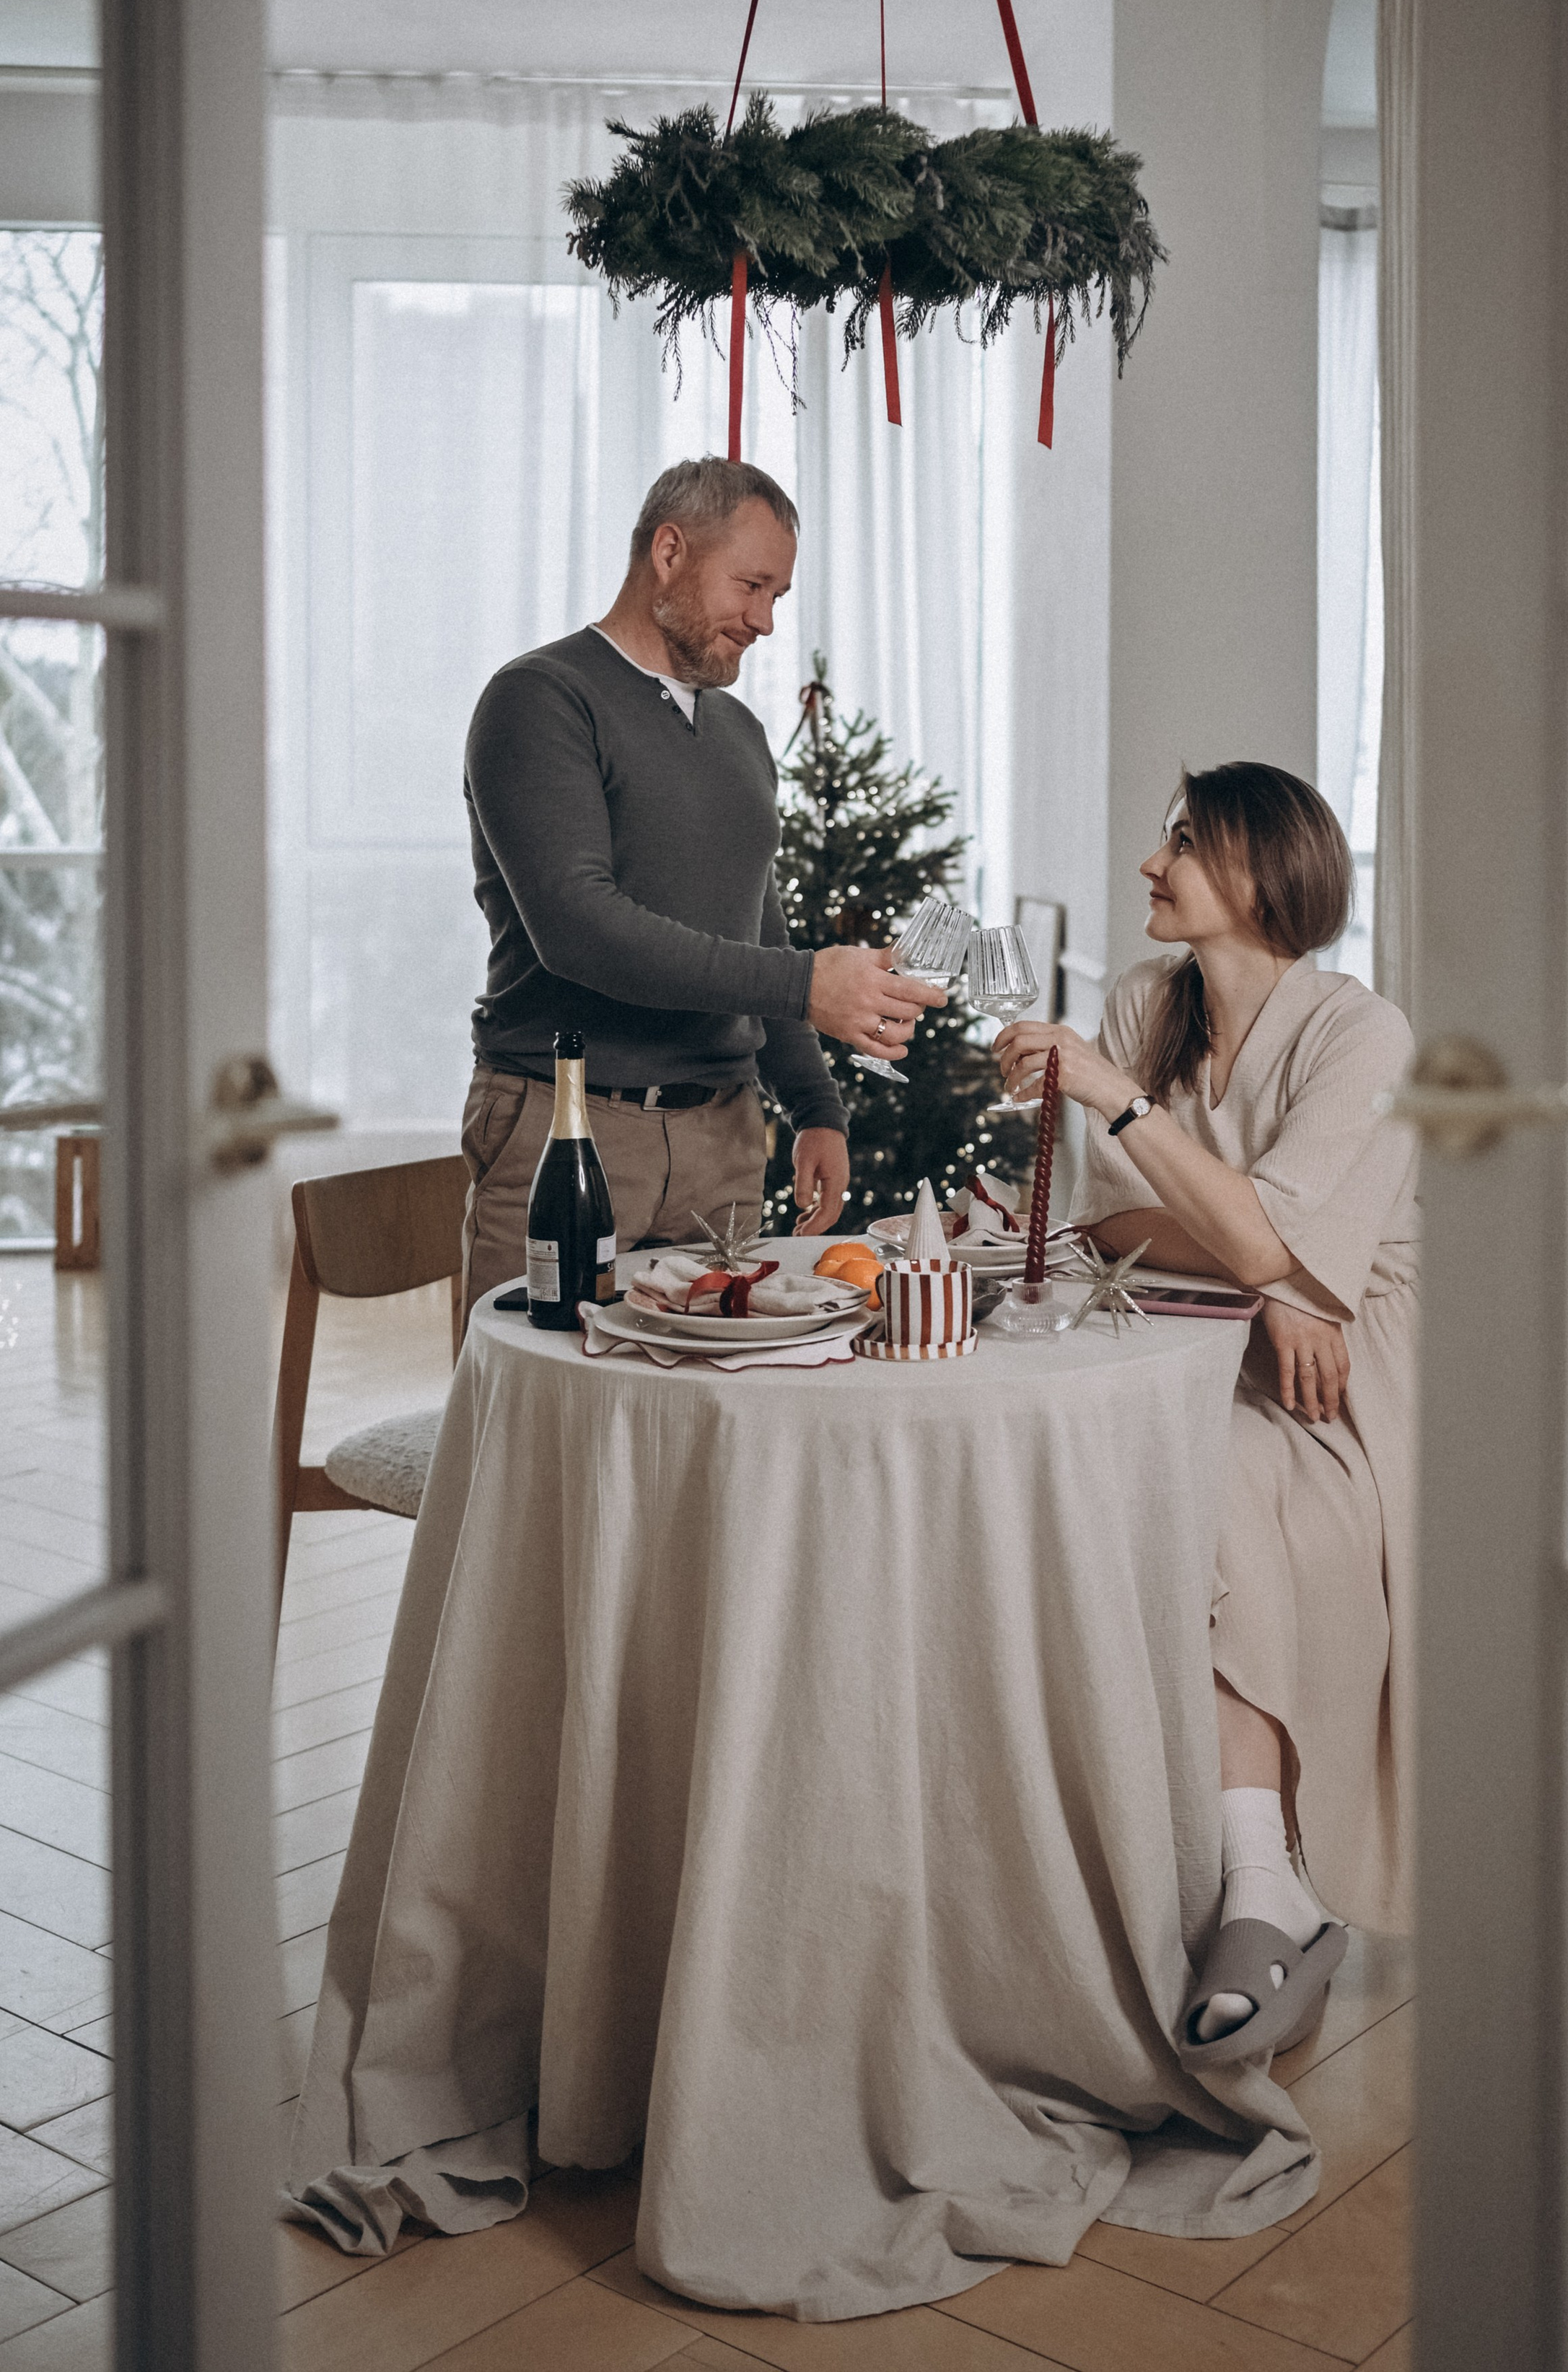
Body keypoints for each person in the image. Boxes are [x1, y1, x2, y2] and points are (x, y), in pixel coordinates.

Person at [994, 761, 1417, 2060]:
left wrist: (1272, 1262)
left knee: (1214, 1472)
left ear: (1257, 869)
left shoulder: (1365, 1034)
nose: (1150, 863)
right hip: (1204, 1330)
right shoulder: (1145, 1004)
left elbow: (1196, 1208)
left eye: (1180, 841)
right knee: (1063, 1457)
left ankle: (1263, 1879)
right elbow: (1095, 1220)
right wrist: (1267, 1269)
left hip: (1345, 1367)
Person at [459, 456, 943, 1318]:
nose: (762, 620)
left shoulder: (740, 731)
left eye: (777, 598)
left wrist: (814, 1105)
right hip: (567, 1130)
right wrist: (805, 984)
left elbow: (759, 925)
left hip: (723, 1143)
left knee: (708, 1434)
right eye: (750, 585)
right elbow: (578, 927)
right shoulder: (539, 699)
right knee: (543, 1430)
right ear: (670, 551)